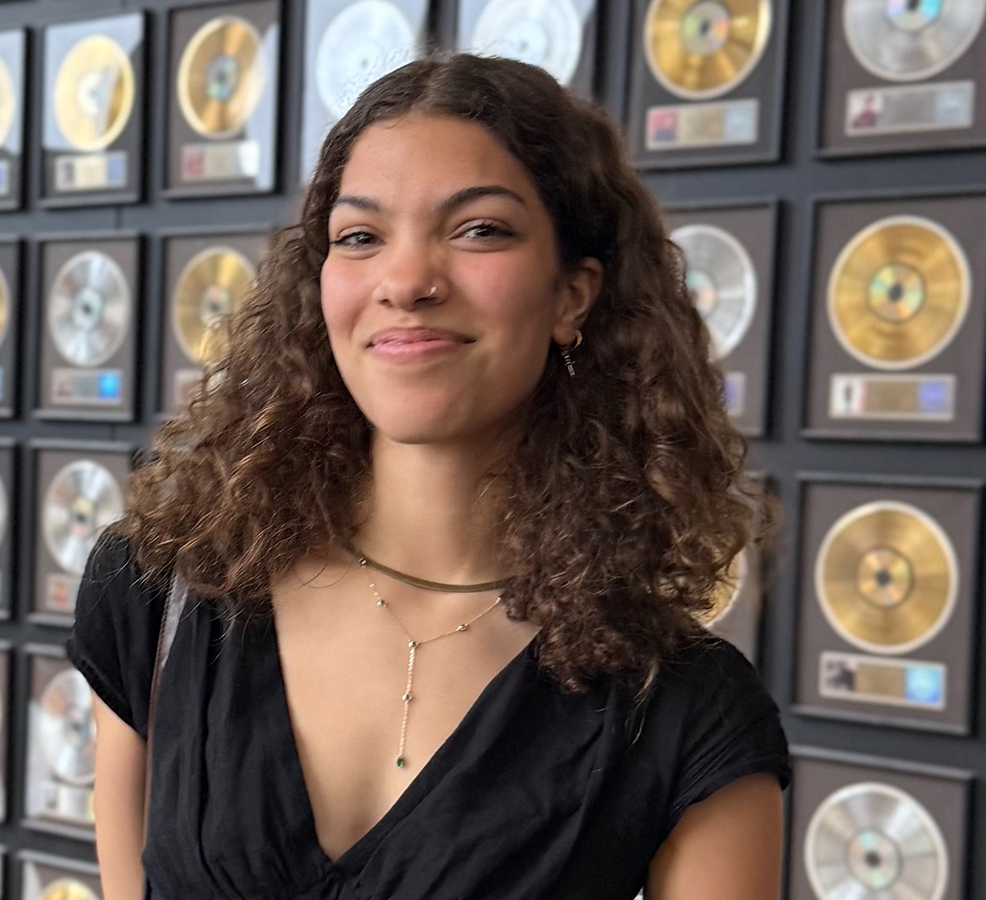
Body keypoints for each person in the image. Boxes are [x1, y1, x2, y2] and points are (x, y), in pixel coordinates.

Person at [68, 52, 790, 900]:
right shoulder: (157, 589)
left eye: (479, 229)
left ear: (573, 296)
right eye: (360, 237)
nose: (407, 282)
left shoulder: (685, 711)